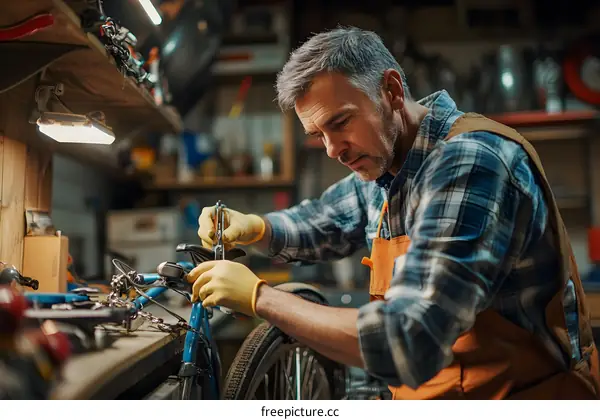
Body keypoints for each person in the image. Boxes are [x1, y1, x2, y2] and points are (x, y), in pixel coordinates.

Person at [187, 26, 600, 399]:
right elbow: (323, 220)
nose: (332, 149)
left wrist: (260, 298)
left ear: (392, 91)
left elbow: (410, 342)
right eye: (318, 135)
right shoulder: (389, 162)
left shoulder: (470, 163)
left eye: (341, 122)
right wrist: (253, 227)